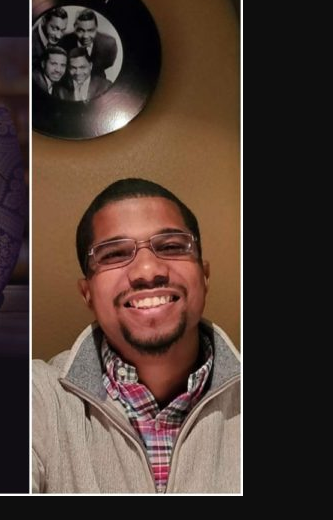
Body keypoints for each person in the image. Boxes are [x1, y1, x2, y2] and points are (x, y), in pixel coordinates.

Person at [32, 178, 240, 493]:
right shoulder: (37, 399)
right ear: (87, 294)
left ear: (205, 276)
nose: (146, 269)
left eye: (171, 246)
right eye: (114, 254)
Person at [59, 9, 117, 79]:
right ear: (74, 27)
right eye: (81, 30)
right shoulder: (63, 41)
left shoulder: (109, 44)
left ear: (96, 28)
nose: (85, 36)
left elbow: (109, 63)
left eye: (90, 30)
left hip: (97, 82)